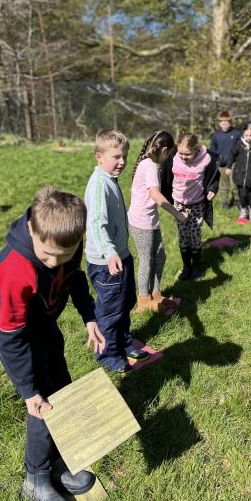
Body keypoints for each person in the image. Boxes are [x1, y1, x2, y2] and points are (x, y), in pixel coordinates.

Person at [0, 186, 106, 501]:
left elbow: (75, 279)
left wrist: (89, 317)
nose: (53, 263)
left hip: (43, 323)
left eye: (62, 256)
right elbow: (12, 336)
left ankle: (56, 464)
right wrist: (28, 390)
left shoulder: (67, 245)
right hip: (15, 335)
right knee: (43, 405)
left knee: (62, 389)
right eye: (47, 255)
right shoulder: (15, 266)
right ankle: (34, 479)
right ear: (32, 229)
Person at [85, 129, 149, 374]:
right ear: (99, 156)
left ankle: (124, 343)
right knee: (110, 311)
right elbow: (95, 224)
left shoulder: (110, 179)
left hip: (120, 256)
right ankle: (108, 354)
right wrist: (110, 253)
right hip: (106, 262)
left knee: (125, 302)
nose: (122, 162)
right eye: (116, 157)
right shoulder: (99, 184)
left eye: (125, 156)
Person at [128, 131, 188, 313]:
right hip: (141, 222)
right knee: (146, 260)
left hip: (150, 220)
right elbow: (155, 194)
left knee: (160, 256)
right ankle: (143, 300)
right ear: (164, 150)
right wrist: (178, 214)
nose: (167, 158)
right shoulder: (150, 166)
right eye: (169, 154)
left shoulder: (148, 164)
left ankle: (155, 294)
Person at [161, 131, 219, 281]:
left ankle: (196, 267)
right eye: (180, 153)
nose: (183, 157)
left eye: (187, 154)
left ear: (197, 148)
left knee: (195, 235)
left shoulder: (206, 159)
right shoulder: (172, 158)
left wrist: (212, 189)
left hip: (197, 204)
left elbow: (214, 176)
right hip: (179, 203)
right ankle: (186, 266)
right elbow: (164, 176)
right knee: (183, 236)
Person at [225, 122, 251, 222]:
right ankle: (243, 212)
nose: (249, 138)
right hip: (240, 174)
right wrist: (229, 166)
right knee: (243, 195)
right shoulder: (239, 144)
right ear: (243, 134)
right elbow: (232, 154)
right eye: (246, 135)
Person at [209, 111, 241, 209]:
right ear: (219, 123)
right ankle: (225, 203)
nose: (225, 125)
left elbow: (240, 148)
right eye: (222, 123)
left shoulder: (236, 133)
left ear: (230, 122)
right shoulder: (216, 136)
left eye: (227, 123)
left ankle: (237, 201)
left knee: (235, 184)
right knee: (223, 185)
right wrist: (215, 161)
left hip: (234, 163)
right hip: (221, 165)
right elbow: (213, 150)